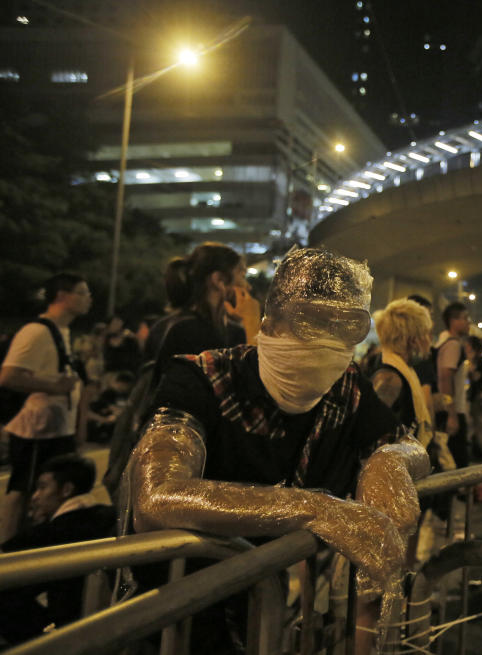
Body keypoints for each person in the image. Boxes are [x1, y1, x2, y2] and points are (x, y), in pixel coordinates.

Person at [125, 248, 428, 652]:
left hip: (261, 610)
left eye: (338, 331)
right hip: (171, 611)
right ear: (268, 324)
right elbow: (158, 495)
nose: (320, 345)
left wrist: (389, 460)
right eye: (307, 325)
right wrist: (316, 509)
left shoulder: (347, 390)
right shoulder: (204, 377)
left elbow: (407, 445)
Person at [0, 273, 91, 542]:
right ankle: (7, 550)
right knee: (23, 489)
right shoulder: (36, 331)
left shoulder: (62, 331)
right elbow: (8, 376)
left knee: (52, 492)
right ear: (63, 296)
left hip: (55, 428)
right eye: (83, 292)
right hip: (36, 430)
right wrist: (54, 386)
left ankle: (33, 546)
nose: (89, 299)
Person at [0, 454, 115, 646]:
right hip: (112, 618)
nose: (35, 496)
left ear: (67, 490)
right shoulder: (111, 516)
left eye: (43, 487)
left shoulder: (49, 533)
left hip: (63, 632)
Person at [145, 242, 248, 375]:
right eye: (242, 276)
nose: (247, 286)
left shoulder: (164, 326)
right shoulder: (189, 331)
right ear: (218, 280)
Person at [370, 298, 434, 437]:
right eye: (427, 334)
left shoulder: (397, 369)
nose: (430, 341)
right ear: (413, 341)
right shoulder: (390, 379)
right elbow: (374, 434)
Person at [435, 301, 470, 468]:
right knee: (456, 461)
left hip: (449, 409)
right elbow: (445, 378)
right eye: (465, 318)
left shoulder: (443, 342)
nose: (468, 323)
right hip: (452, 410)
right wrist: (452, 414)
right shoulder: (453, 345)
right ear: (453, 321)